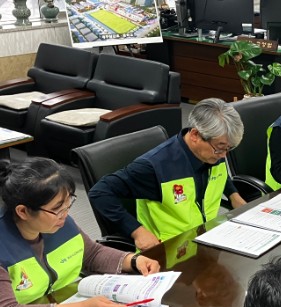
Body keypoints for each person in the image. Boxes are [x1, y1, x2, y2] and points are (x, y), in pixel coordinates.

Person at [0, 158, 159, 307]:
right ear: (23, 211)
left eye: (68, 203)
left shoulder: (57, 222)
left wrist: (133, 260)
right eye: (57, 208)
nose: (65, 214)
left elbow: (91, 254)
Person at [89, 98, 246, 251]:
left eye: (228, 148)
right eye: (220, 148)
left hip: (206, 240)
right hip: (168, 252)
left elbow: (218, 175)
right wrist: (137, 231)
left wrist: (234, 196)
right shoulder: (154, 167)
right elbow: (99, 192)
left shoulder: (212, 153)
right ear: (195, 135)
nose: (223, 155)